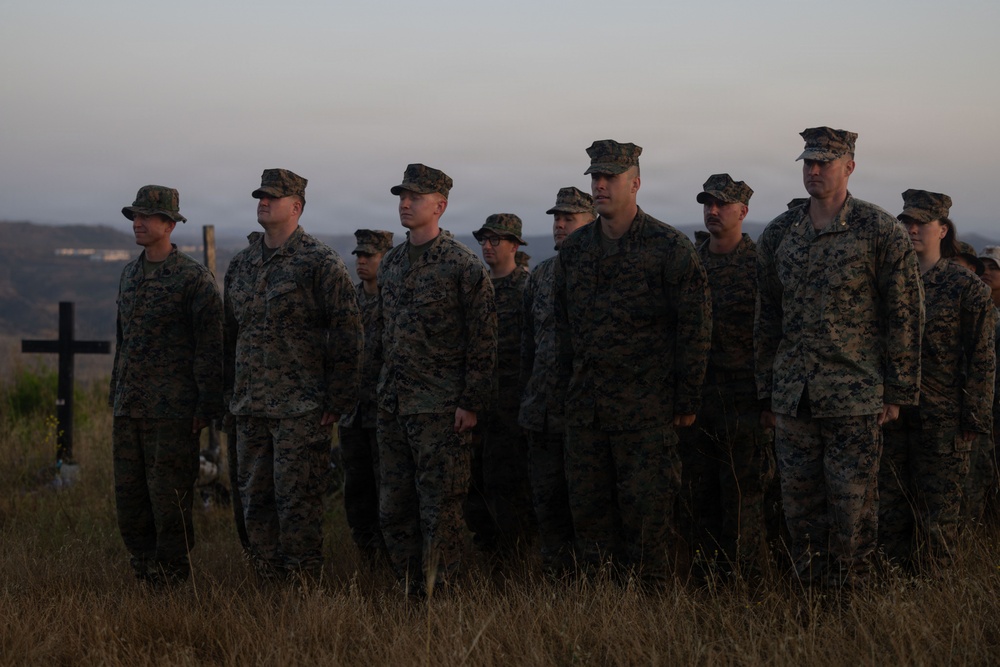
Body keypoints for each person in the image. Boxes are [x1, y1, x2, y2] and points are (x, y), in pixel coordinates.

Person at [755, 127, 924, 588]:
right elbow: (767, 315)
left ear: (849, 166)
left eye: (823, 162)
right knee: (800, 510)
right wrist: (766, 390)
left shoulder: (879, 229)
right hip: (795, 397)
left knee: (852, 512)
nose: (813, 170)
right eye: (808, 162)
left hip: (855, 396)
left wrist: (897, 390)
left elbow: (904, 312)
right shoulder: (779, 233)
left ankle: (853, 606)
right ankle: (812, 605)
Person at [554, 140, 712, 584]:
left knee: (648, 524)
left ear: (635, 183)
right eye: (595, 177)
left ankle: (652, 621)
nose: (600, 185)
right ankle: (604, 617)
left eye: (610, 177)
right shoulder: (576, 252)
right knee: (591, 522)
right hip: (587, 413)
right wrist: (568, 393)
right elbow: (563, 330)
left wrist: (686, 399)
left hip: (646, 413)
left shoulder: (669, 248)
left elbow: (695, 330)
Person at [223, 168, 362, 582]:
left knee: (298, 504)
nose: (262, 202)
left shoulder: (320, 263)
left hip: (301, 409)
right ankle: (267, 591)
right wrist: (228, 395)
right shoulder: (242, 264)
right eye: (260, 196)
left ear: (296, 207)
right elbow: (230, 334)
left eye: (272, 197)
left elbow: (348, 333)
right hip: (250, 408)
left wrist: (338, 400)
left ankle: (303, 594)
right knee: (256, 503)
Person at [375, 163, 497, 596]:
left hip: (441, 411)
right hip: (393, 407)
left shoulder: (462, 266)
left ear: (440, 206)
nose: (405, 204)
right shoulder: (390, 263)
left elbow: (482, 340)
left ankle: (442, 597)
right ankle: (409, 593)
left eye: (416, 197)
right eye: (402, 196)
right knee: (394, 508)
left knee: (440, 510)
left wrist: (471, 402)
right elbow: (382, 334)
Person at [110, 185, 224, 586]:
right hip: (129, 408)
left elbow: (211, 348)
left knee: (169, 500)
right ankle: (144, 572)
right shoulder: (129, 274)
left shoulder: (193, 280)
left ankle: (173, 581)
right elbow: (123, 341)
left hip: (173, 413)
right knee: (130, 499)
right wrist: (116, 396)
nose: (138, 223)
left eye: (147, 216)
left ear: (169, 224)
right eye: (135, 216)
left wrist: (204, 409)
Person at [879, 190, 995, 571]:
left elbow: (982, 357)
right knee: (890, 514)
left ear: (942, 229)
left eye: (920, 223)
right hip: (892, 417)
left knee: (936, 521)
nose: (911, 229)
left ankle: (933, 600)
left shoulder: (966, 287)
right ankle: (891, 598)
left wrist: (974, 419)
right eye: (905, 222)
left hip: (943, 420)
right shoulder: (889, 282)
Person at [678, 174, 774, 578]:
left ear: (743, 212)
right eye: (707, 204)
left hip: (744, 400)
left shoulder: (761, 267)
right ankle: (705, 582)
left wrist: (769, 401)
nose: (713, 211)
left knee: (742, 497)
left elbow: (773, 334)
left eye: (722, 204)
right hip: (697, 399)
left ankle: (747, 584)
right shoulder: (691, 263)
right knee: (698, 495)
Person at [520, 186, 595, 573]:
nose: (560, 224)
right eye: (556, 217)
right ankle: (557, 579)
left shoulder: (600, 270)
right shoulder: (542, 275)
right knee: (547, 502)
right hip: (543, 412)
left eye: (570, 217)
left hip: (584, 414)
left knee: (586, 503)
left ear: (591, 221)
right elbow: (528, 345)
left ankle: (595, 585)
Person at [468, 214, 533, 557]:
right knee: (475, 485)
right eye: (484, 240)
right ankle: (487, 553)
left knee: (510, 485)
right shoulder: (477, 288)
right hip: (479, 405)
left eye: (496, 240)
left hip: (513, 406)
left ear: (514, 245)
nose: (488, 246)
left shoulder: (526, 289)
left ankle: (516, 556)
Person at [339, 229, 394, 562]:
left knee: (386, 485)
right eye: (358, 255)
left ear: (385, 258)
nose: (361, 261)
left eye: (368, 256)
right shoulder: (349, 301)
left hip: (385, 412)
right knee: (356, 486)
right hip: (353, 412)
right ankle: (366, 550)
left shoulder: (396, 300)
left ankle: (391, 552)